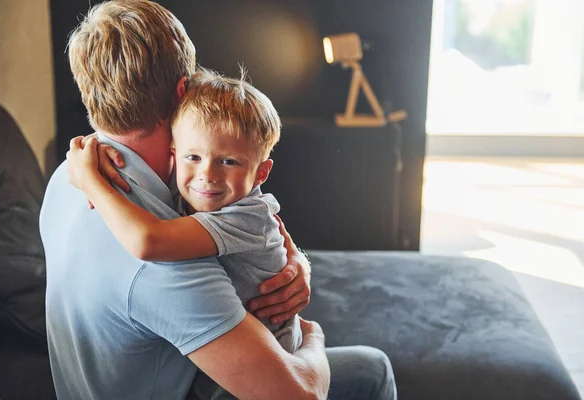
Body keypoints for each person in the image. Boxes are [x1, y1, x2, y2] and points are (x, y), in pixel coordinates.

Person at [40, 1, 397, 399]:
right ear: (183, 91)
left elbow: (251, 223)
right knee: (373, 369)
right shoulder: (167, 266)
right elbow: (301, 394)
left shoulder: (68, 176)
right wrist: (314, 338)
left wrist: (296, 262)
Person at [66, 68, 303, 399]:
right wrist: (91, 147)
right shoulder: (186, 194)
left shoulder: (249, 217)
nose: (207, 175)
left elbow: (149, 241)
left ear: (261, 172)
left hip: (262, 365)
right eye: (194, 157)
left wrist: (88, 178)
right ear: (175, 155)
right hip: (217, 362)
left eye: (229, 162)